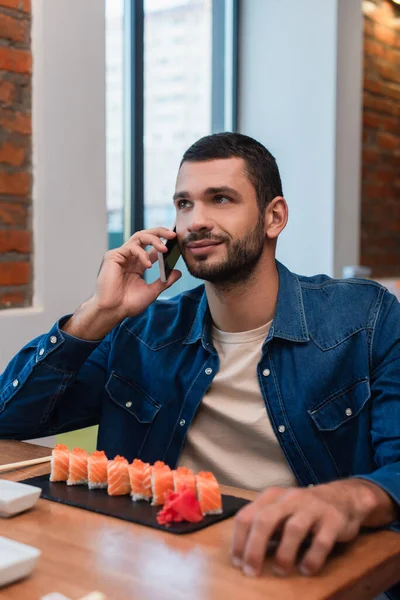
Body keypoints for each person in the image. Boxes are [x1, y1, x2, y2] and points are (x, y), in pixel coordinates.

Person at [0, 133, 399, 591]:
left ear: (274, 217)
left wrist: (347, 498)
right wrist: (98, 312)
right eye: (184, 204)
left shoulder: (364, 319)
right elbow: (8, 420)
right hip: (153, 567)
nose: (196, 221)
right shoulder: (140, 329)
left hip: (299, 569)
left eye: (221, 199)